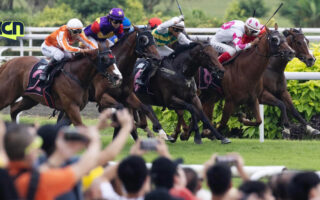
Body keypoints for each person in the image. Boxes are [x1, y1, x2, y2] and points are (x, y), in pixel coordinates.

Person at [4, 122, 100, 200]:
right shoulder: (41, 181)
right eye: (36, 144)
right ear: (28, 153)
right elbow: (82, 167)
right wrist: (94, 140)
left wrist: (60, 155)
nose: (38, 149)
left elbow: (41, 171)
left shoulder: (6, 174)